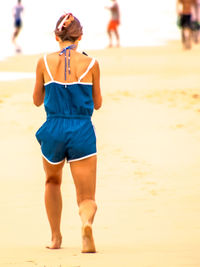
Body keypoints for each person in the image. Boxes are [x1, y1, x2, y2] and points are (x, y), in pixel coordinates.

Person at [33, 12, 102, 253]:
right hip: (80, 128)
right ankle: (85, 224)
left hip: (53, 128)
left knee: (52, 181)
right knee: (86, 197)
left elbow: (37, 100)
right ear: (80, 37)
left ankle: (55, 237)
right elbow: (97, 103)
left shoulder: (43, 61)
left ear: (56, 36)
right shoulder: (92, 64)